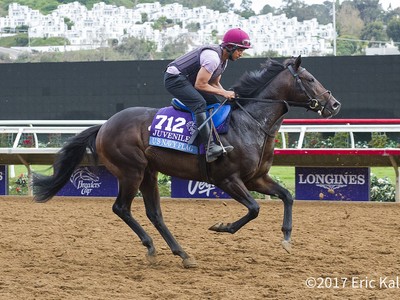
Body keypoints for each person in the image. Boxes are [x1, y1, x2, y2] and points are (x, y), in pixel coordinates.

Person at [164, 28, 251, 162]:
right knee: (199, 104)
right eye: (240, 50)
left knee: (215, 103)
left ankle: (215, 140)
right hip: (174, 79)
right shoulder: (213, 59)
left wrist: (227, 96)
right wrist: (224, 93)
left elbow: (214, 83)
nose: (241, 54)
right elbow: (200, 85)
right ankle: (209, 147)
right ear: (230, 47)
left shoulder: (224, 60)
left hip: (188, 80)